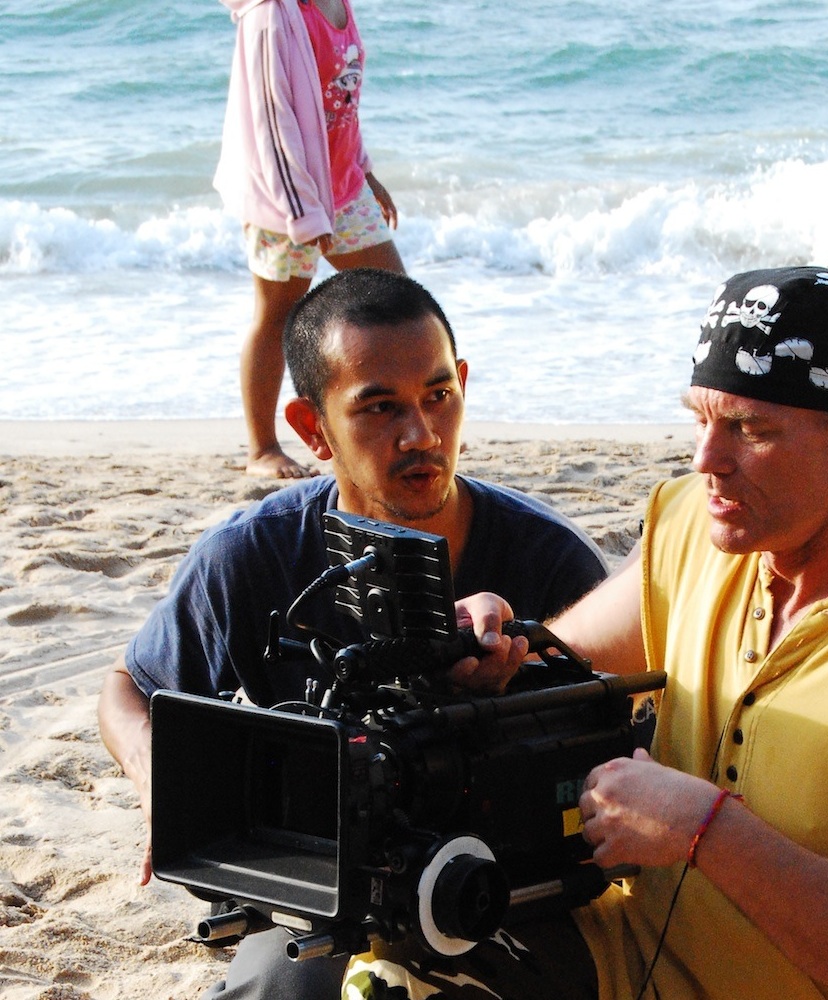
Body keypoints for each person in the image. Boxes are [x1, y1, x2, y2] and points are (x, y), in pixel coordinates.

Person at [347, 266, 828, 1000]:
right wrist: (498, 644)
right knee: (390, 978)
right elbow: (564, 653)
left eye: (750, 429)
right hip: (644, 965)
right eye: (700, 419)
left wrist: (702, 828)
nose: (705, 460)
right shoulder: (701, 522)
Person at [97, 268, 609, 1000]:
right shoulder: (254, 554)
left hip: (497, 883)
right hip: (319, 875)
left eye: (439, 395)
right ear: (312, 430)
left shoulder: (550, 562)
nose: (421, 434)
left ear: (462, 382)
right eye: (378, 408)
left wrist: (518, 677)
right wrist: (156, 776)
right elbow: (128, 687)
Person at [215, 0, 407, 479]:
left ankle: (390, 427)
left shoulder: (338, 5)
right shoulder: (271, 15)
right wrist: (302, 214)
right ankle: (262, 449)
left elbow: (342, 104)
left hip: (341, 187)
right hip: (285, 198)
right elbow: (272, 125)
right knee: (277, 313)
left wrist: (366, 172)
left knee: (397, 300)